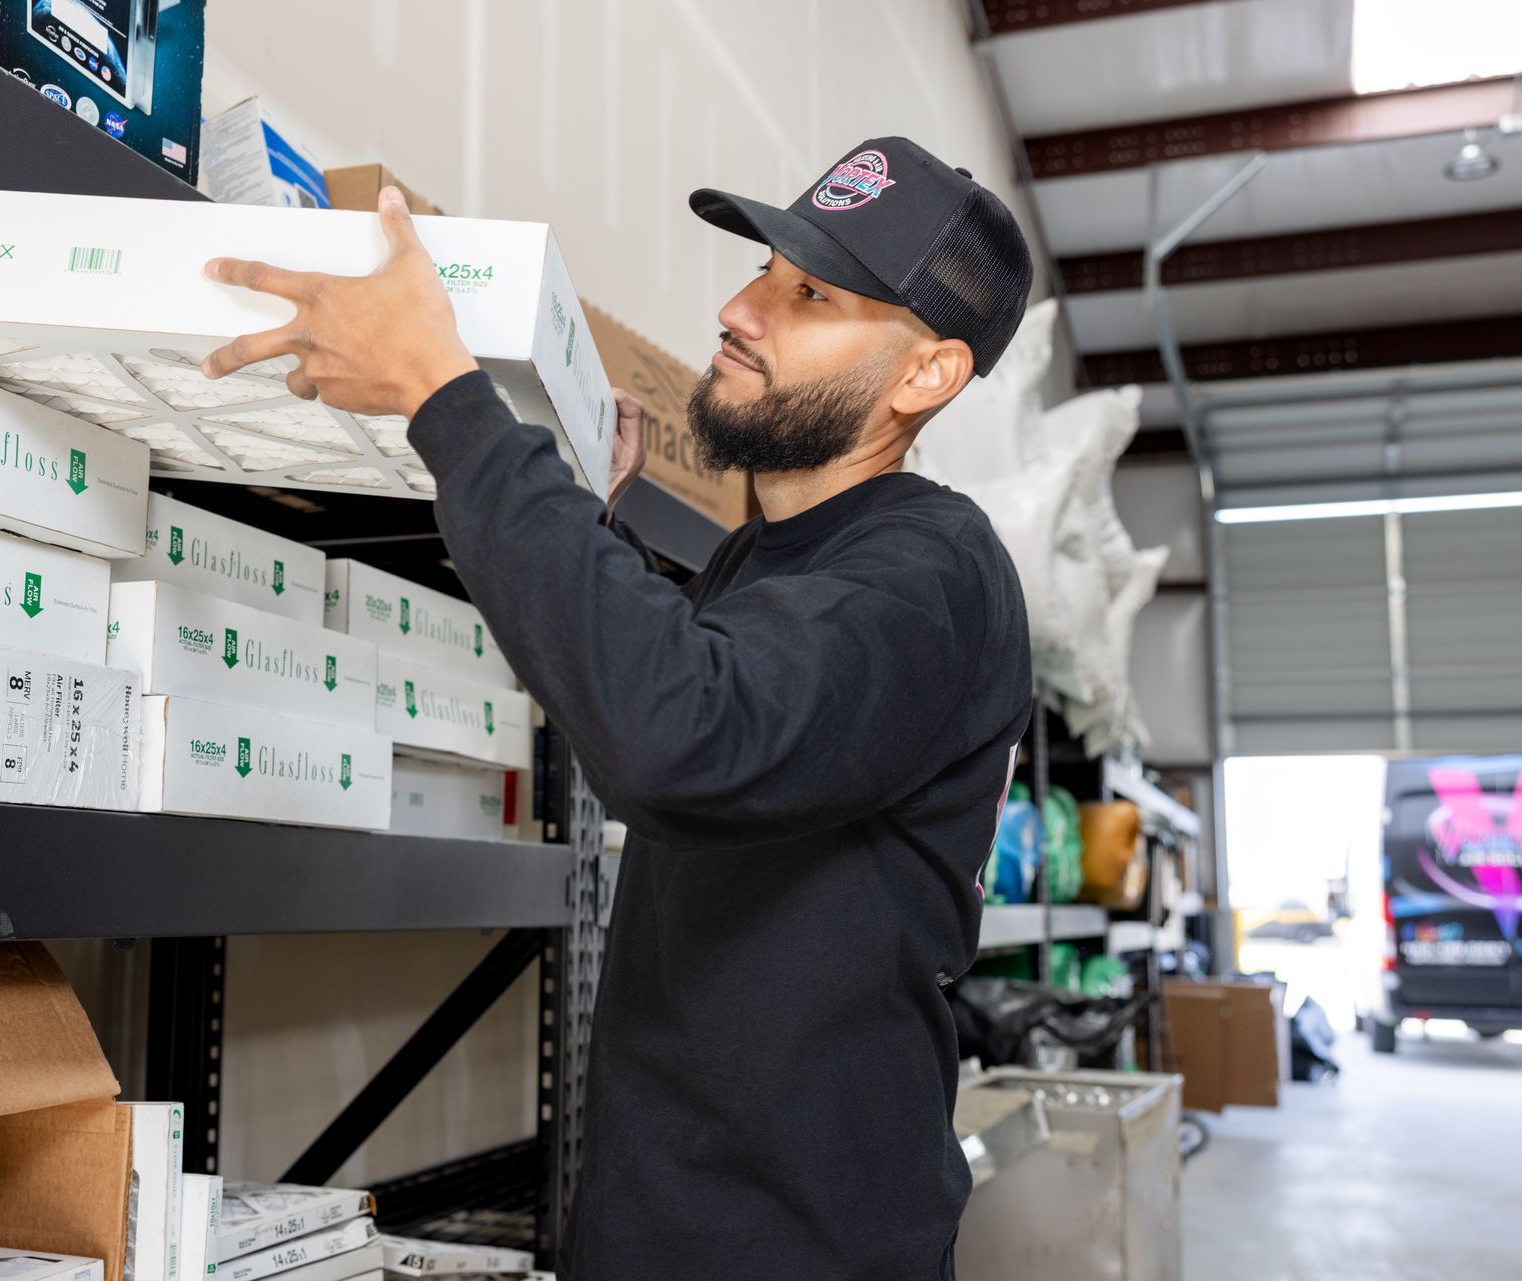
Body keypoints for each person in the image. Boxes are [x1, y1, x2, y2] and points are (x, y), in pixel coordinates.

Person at [201, 137, 1035, 1281]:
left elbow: (686, 736)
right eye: (761, 269)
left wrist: (450, 403)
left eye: (811, 294)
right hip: (662, 1224)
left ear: (926, 376)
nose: (741, 308)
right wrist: (591, 532)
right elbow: (688, 687)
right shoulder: (770, 562)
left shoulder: (935, 574)